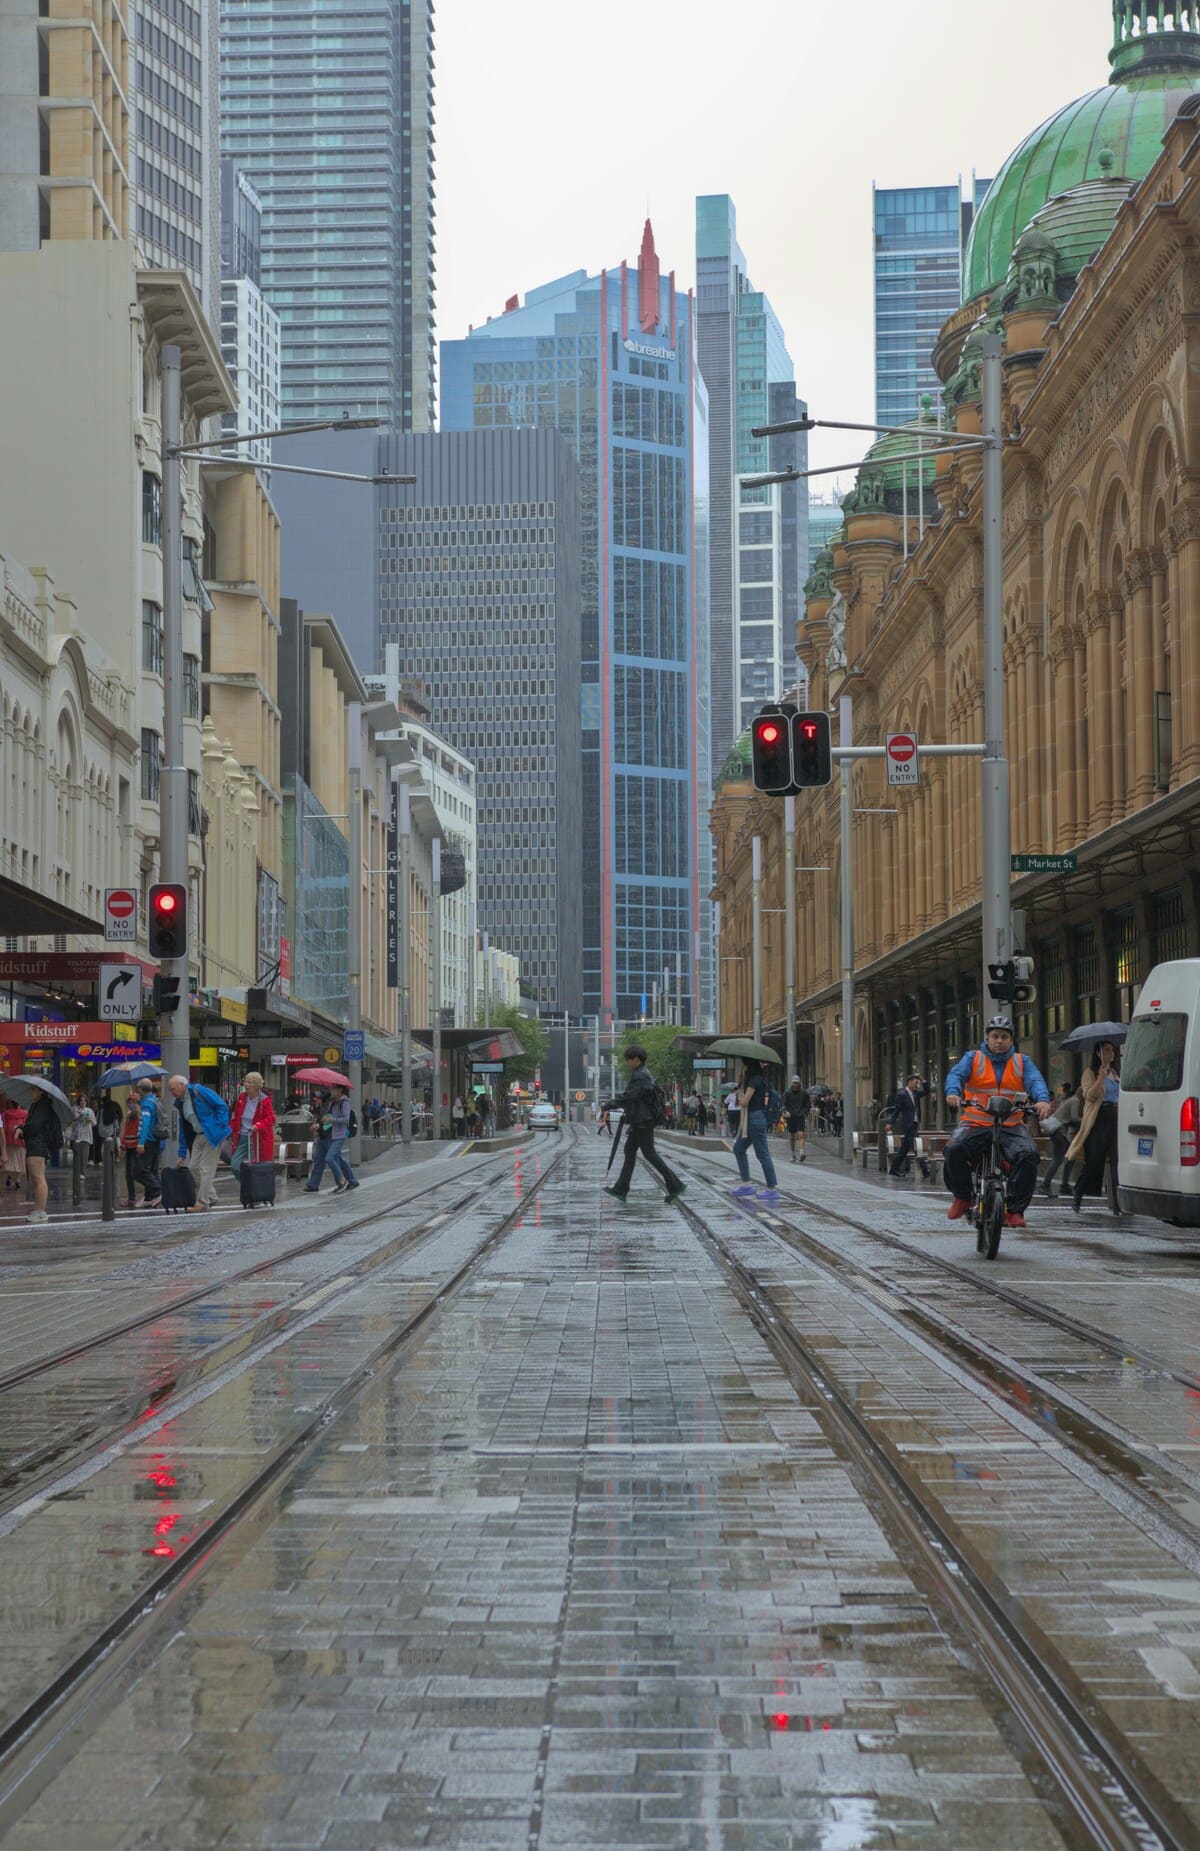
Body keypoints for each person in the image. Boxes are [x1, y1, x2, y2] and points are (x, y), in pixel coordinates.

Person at [944, 1017, 1052, 1228]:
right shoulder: (973, 1058)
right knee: (953, 1149)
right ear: (987, 1038)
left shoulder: (1022, 1062)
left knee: (1029, 1155)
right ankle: (963, 1197)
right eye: (995, 1036)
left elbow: (1035, 1081)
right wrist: (953, 1093)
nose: (999, 1041)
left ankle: (1015, 1210)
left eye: (1004, 1037)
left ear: (1011, 1040)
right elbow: (955, 1075)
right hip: (975, 1123)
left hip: (1011, 1125)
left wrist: (1042, 1100)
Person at [601, 1044, 686, 1203]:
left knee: (649, 1153)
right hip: (640, 1120)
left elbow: (630, 1096)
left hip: (643, 1121)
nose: (628, 1063)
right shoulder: (643, 1073)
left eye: (629, 1060)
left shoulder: (640, 1075)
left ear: (636, 1059)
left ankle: (675, 1185)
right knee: (630, 1151)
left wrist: (609, 1104)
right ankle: (621, 1188)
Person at [1067, 1042, 1120, 1212]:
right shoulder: (1090, 1073)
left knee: (1117, 1161)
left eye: (1112, 1050)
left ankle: (1118, 1204)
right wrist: (1100, 1078)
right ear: (1098, 1053)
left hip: (1115, 1118)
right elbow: (1089, 1095)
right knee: (1094, 1161)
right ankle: (1078, 1193)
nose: (1111, 1053)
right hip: (1098, 1119)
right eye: (1107, 1050)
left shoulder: (1115, 1073)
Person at [168, 1074, 231, 1211]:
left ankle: (202, 1202)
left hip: (211, 1134)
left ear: (182, 1085)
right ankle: (211, 1196)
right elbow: (184, 1128)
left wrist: (219, 1126)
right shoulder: (181, 1102)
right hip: (199, 1134)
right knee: (193, 1168)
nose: (171, 1093)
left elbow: (221, 1105)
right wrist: (182, 1153)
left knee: (206, 1169)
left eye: (172, 1089)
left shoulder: (199, 1091)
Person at [732, 1059, 780, 1200]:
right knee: (738, 1149)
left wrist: (739, 1095)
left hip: (755, 1119)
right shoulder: (755, 1079)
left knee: (762, 1154)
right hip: (752, 1119)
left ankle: (772, 1188)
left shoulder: (755, 1080)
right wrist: (741, 1085)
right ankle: (746, 1184)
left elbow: (745, 1101)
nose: (743, 1067)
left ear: (749, 1065)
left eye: (744, 1064)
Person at [20, 1087, 63, 1224]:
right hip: (35, 1144)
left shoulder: (42, 1106)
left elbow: (34, 1126)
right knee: (36, 1178)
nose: (30, 1092)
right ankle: (38, 1209)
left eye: (33, 1090)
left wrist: (22, 1130)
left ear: (41, 1092)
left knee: (38, 1178)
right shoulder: (37, 1106)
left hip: (38, 1145)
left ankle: (41, 1211)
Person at [229, 1071, 275, 1181]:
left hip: (257, 1137)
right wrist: (229, 1129)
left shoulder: (264, 1101)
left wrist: (258, 1126)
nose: (246, 1084)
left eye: (249, 1082)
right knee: (234, 1165)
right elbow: (236, 1118)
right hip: (242, 1136)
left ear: (256, 1085)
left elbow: (270, 1119)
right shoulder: (242, 1098)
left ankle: (255, 1186)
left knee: (257, 1166)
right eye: (245, 1081)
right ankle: (247, 1184)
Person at [885, 1074, 931, 1180]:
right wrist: (890, 1123)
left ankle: (893, 1169)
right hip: (908, 1125)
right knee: (917, 1146)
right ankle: (925, 1170)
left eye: (917, 1083)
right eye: (915, 1082)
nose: (917, 1085)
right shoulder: (902, 1095)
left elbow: (927, 1090)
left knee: (904, 1149)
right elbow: (896, 1110)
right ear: (909, 1082)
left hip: (914, 1123)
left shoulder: (916, 1093)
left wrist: (922, 1079)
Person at [1040, 1082, 1081, 1198]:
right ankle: (1046, 1185)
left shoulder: (1069, 1100)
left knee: (1070, 1157)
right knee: (1059, 1159)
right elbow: (1074, 1118)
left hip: (1058, 1132)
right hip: (1059, 1132)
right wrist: (1085, 1121)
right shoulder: (1075, 1101)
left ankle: (1064, 1185)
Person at [134, 1077, 166, 1207]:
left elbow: (145, 1123)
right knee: (151, 1170)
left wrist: (141, 1142)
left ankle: (157, 1191)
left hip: (148, 1140)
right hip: (156, 1139)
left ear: (141, 1090)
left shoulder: (147, 1104)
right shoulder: (155, 1101)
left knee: (138, 1171)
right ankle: (149, 1197)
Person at [119, 1095, 141, 1208]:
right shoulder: (129, 1116)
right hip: (129, 1147)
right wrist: (122, 1146)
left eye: (132, 1102)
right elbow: (126, 1132)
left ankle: (151, 1193)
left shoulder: (140, 1116)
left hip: (136, 1147)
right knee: (128, 1174)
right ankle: (131, 1198)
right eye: (129, 1102)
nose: (130, 1104)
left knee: (136, 1172)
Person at [783, 1078, 811, 1164]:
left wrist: (804, 1113)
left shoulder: (804, 1093)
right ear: (792, 1083)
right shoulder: (787, 1093)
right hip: (790, 1117)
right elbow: (783, 1104)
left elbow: (808, 1105)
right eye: (794, 1083)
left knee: (801, 1134)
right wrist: (786, 1111)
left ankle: (802, 1153)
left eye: (797, 1083)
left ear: (799, 1083)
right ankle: (793, 1154)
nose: (795, 1084)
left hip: (800, 1117)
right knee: (791, 1136)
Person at [2, 1097, 27, 1191]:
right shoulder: (25, 1114)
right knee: (20, 1161)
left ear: (11, 1104)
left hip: (8, 1140)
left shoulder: (5, 1114)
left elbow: (3, 1127)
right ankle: (18, 1180)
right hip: (21, 1141)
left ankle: (9, 1176)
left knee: (10, 1161)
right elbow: (26, 1126)